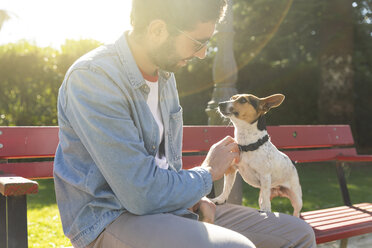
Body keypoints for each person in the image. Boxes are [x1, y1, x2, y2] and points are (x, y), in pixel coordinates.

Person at [54, 0, 316, 247]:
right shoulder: (93, 78)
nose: (202, 54)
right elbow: (139, 194)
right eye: (197, 42)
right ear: (157, 29)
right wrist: (208, 172)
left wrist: (193, 197)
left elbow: (165, 166)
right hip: (110, 217)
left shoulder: (165, 75)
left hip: (170, 208)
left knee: (298, 235)